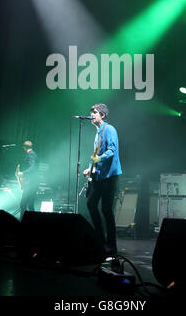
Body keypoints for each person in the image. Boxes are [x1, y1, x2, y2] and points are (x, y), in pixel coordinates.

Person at [83, 103, 122, 258]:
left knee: (106, 209)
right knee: (91, 204)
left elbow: (112, 150)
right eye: (91, 112)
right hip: (99, 175)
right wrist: (89, 167)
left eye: (94, 112)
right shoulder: (97, 132)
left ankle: (111, 247)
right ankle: (100, 238)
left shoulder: (109, 129)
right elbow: (96, 153)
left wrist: (99, 158)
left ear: (102, 115)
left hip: (109, 176)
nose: (92, 114)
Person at [17, 140, 39, 219]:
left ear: (24, 147)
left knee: (23, 204)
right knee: (30, 205)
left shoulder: (31, 154)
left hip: (30, 183)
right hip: (33, 183)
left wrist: (23, 173)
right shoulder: (32, 154)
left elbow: (33, 167)